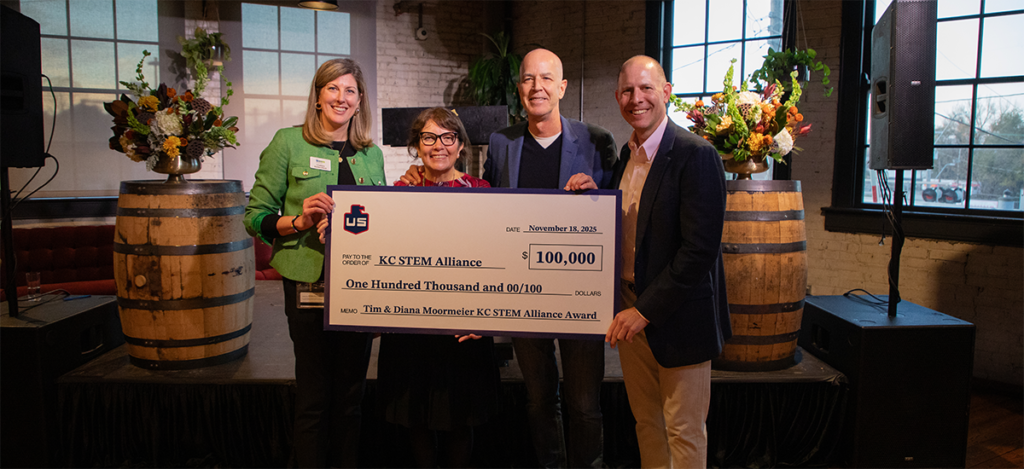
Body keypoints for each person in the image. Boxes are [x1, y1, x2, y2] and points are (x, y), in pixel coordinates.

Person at [402, 48, 616, 469]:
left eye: (546, 78)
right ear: (519, 88)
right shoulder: (502, 143)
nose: (537, 87)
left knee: (585, 404)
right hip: (525, 295)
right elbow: (490, 217)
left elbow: (614, 214)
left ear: (562, 86)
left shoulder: (597, 140)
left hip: (578, 294)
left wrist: (596, 194)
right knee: (539, 400)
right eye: (528, 79)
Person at [243, 58, 384, 469]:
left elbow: (382, 218)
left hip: (360, 286)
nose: (341, 97)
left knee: (351, 397)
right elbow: (254, 216)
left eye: (350, 91)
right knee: (314, 398)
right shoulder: (287, 143)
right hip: (307, 282)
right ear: (318, 96)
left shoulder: (370, 155)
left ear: (360, 102)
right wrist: (299, 222)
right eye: (333, 89)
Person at [604, 55, 731, 469]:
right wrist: (590, 195)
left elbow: (699, 251)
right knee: (647, 424)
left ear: (666, 93)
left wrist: (644, 310)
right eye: (627, 90)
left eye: (645, 88)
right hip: (629, 313)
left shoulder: (696, 155)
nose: (636, 98)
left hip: (676, 319)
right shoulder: (624, 158)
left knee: (684, 432)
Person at [375, 108, 498, 469]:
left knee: (460, 420)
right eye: (429, 138)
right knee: (417, 419)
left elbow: (495, 258)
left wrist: (486, 315)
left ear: (460, 146)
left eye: (448, 138)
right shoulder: (399, 191)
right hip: (413, 328)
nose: (438, 145)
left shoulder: (483, 191)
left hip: (464, 329)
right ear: (417, 146)